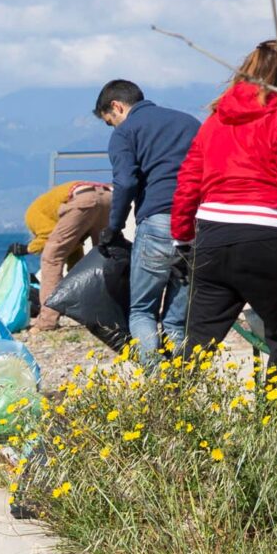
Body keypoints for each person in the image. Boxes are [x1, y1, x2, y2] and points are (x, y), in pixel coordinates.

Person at [174, 39, 277, 394]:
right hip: (268, 239)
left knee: (197, 343)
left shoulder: (215, 120)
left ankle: (167, 422)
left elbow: (188, 183)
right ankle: (275, 430)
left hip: (213, 238)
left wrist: (183, 238)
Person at [95, 80, 201, 362]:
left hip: (158, 222)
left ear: (116, 106)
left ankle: (155, 389)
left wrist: (114, 227)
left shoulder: (125, 132)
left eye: (110, 121)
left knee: (142, 311)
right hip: (196, 225)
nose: (113, 127)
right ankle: (180, 388)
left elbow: (126, 182)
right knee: (177, 320)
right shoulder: (189, 123)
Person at [23, 181, 112, 330]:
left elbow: (47, 236)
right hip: (108, 197)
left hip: (84, 199)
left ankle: (47, 321)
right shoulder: (54, 207)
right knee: (102, 257)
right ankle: (104, 314)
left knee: (51, 258)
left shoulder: (31, 215)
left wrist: (26, 249)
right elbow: (75, 257)